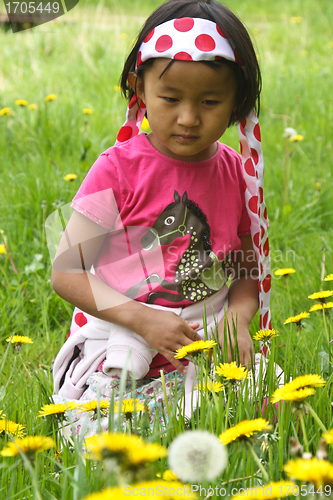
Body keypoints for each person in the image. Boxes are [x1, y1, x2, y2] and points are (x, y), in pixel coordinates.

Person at [50, 0, 272, 434]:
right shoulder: (117, 169)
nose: (188, 119)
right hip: (122, 337)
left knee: (272, 407)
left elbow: (248, 268)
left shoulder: (234, 173)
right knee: (98, 436)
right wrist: (142, 318)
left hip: (203, 341)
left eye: (210, 101)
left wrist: (236, 319)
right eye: (170, 98)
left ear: (237, 101)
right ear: (140, 88)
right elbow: (66, 272)